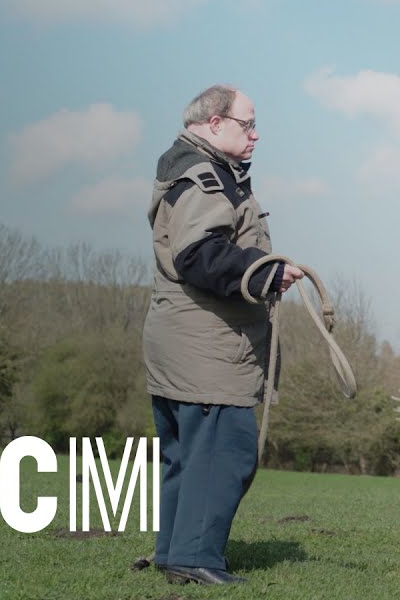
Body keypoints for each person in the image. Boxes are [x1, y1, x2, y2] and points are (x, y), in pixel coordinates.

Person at [142, 84, 304, 585]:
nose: (255, 135)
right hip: (207, 348)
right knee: (225, 451)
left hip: (183, 343)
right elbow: (198, 255)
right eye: (247, 124)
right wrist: (266, 272)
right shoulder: (205, 177)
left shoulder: (193, 169)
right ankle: (196, 558)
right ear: (214, 124)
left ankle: (175, 554)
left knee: (187, 456)